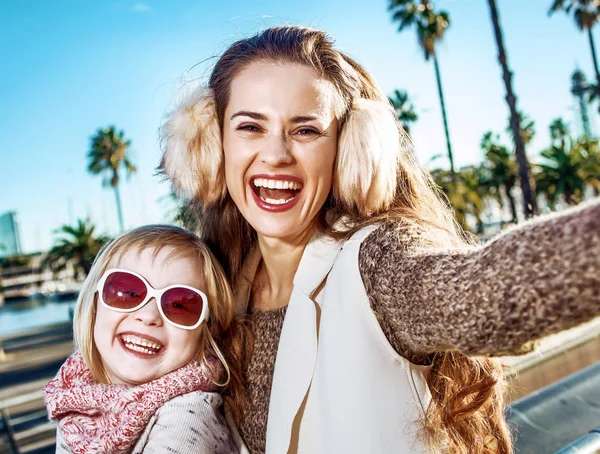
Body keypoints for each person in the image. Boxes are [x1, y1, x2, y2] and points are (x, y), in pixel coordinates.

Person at [160, 26, 600, 454]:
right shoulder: (212, 291)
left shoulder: (377, 261)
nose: (276, 154)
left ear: (349, 149)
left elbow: (488, 291)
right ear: (212, 145)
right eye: (251, 127)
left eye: (306, 130)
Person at [44, 225, 245, 454]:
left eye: (180, 305)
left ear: (206, 332)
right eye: (128, 292)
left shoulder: (189, 417)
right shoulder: (76, 402)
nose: (148, 316)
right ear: (94, 303)